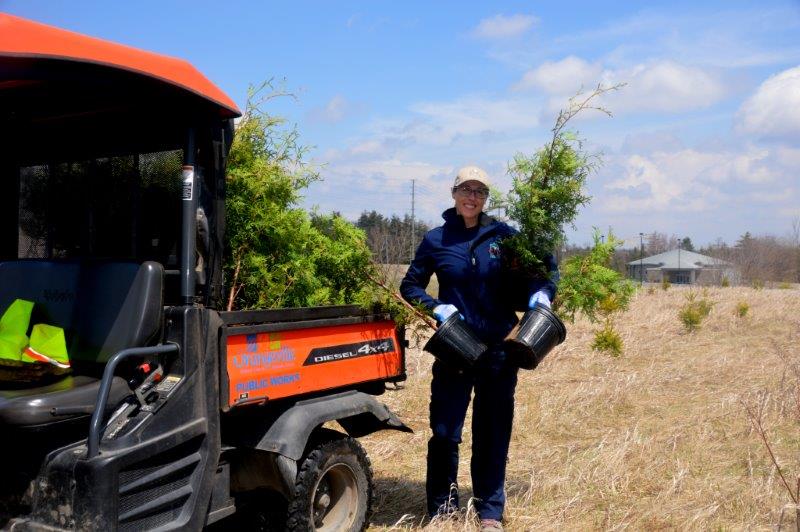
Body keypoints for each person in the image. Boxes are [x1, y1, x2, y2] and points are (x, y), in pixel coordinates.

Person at [400, 166, 558, 532]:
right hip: (455, 350)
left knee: (493, 431)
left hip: (500, 351)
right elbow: (410, 286)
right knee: (445, 431)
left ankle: (490, 511)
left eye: (480, 192)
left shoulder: (503, 237)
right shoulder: (436, 239)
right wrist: (435, 306)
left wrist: (542, 293)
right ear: (453, 193)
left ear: (486, 199)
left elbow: (544, 270)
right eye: (466, 189)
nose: (472, 197)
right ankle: (443, 508)